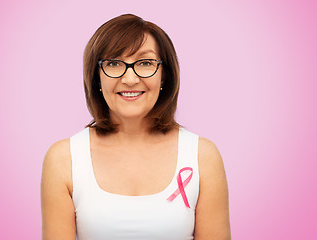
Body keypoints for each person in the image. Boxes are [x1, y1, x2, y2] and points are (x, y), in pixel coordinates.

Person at [41, 14, 231, 240]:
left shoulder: (203, 157)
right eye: (113, 63)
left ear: (164, 76)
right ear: (96, 78)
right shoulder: (63, 159)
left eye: (145, 63)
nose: (130, 79)